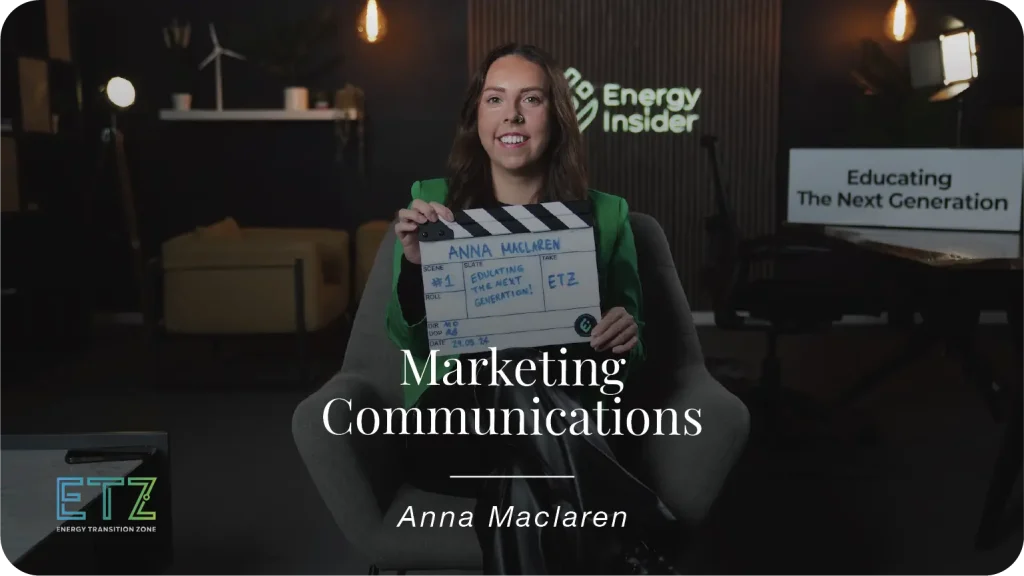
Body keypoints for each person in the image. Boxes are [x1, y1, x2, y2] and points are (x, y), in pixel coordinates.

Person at [386, 42, 683, 576]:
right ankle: (637, 520)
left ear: (557, 116)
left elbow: (631, 353)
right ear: (476, 116)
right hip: (456, 424)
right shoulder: (432, 202)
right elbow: (410, 343)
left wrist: (627, 332)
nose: (512, 115)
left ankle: (627, 529)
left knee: (522, 488)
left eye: (532, 99)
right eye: (495, 99)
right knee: (511, 374)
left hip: (562, 420)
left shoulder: (608, 216)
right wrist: (413, 265)